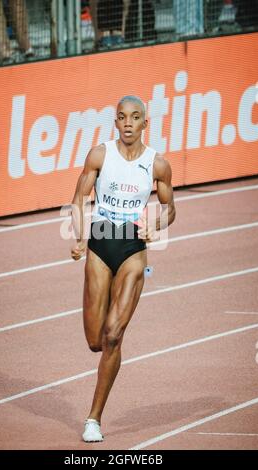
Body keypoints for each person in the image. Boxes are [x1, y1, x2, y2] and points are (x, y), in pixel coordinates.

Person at [70, 96, 176, 442]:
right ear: (115, 123)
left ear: (145, 123)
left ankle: (93, 419)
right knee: (94, 340)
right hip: (99, 245)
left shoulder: (157, 165)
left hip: (133, 249)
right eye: (121, 117)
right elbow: (78, 201)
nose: (127, 123)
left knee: (114, 336)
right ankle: (104, 353)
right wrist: (79, 237)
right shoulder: (100, 155)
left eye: (134, 117)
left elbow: (170, 208)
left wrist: (157, 224)